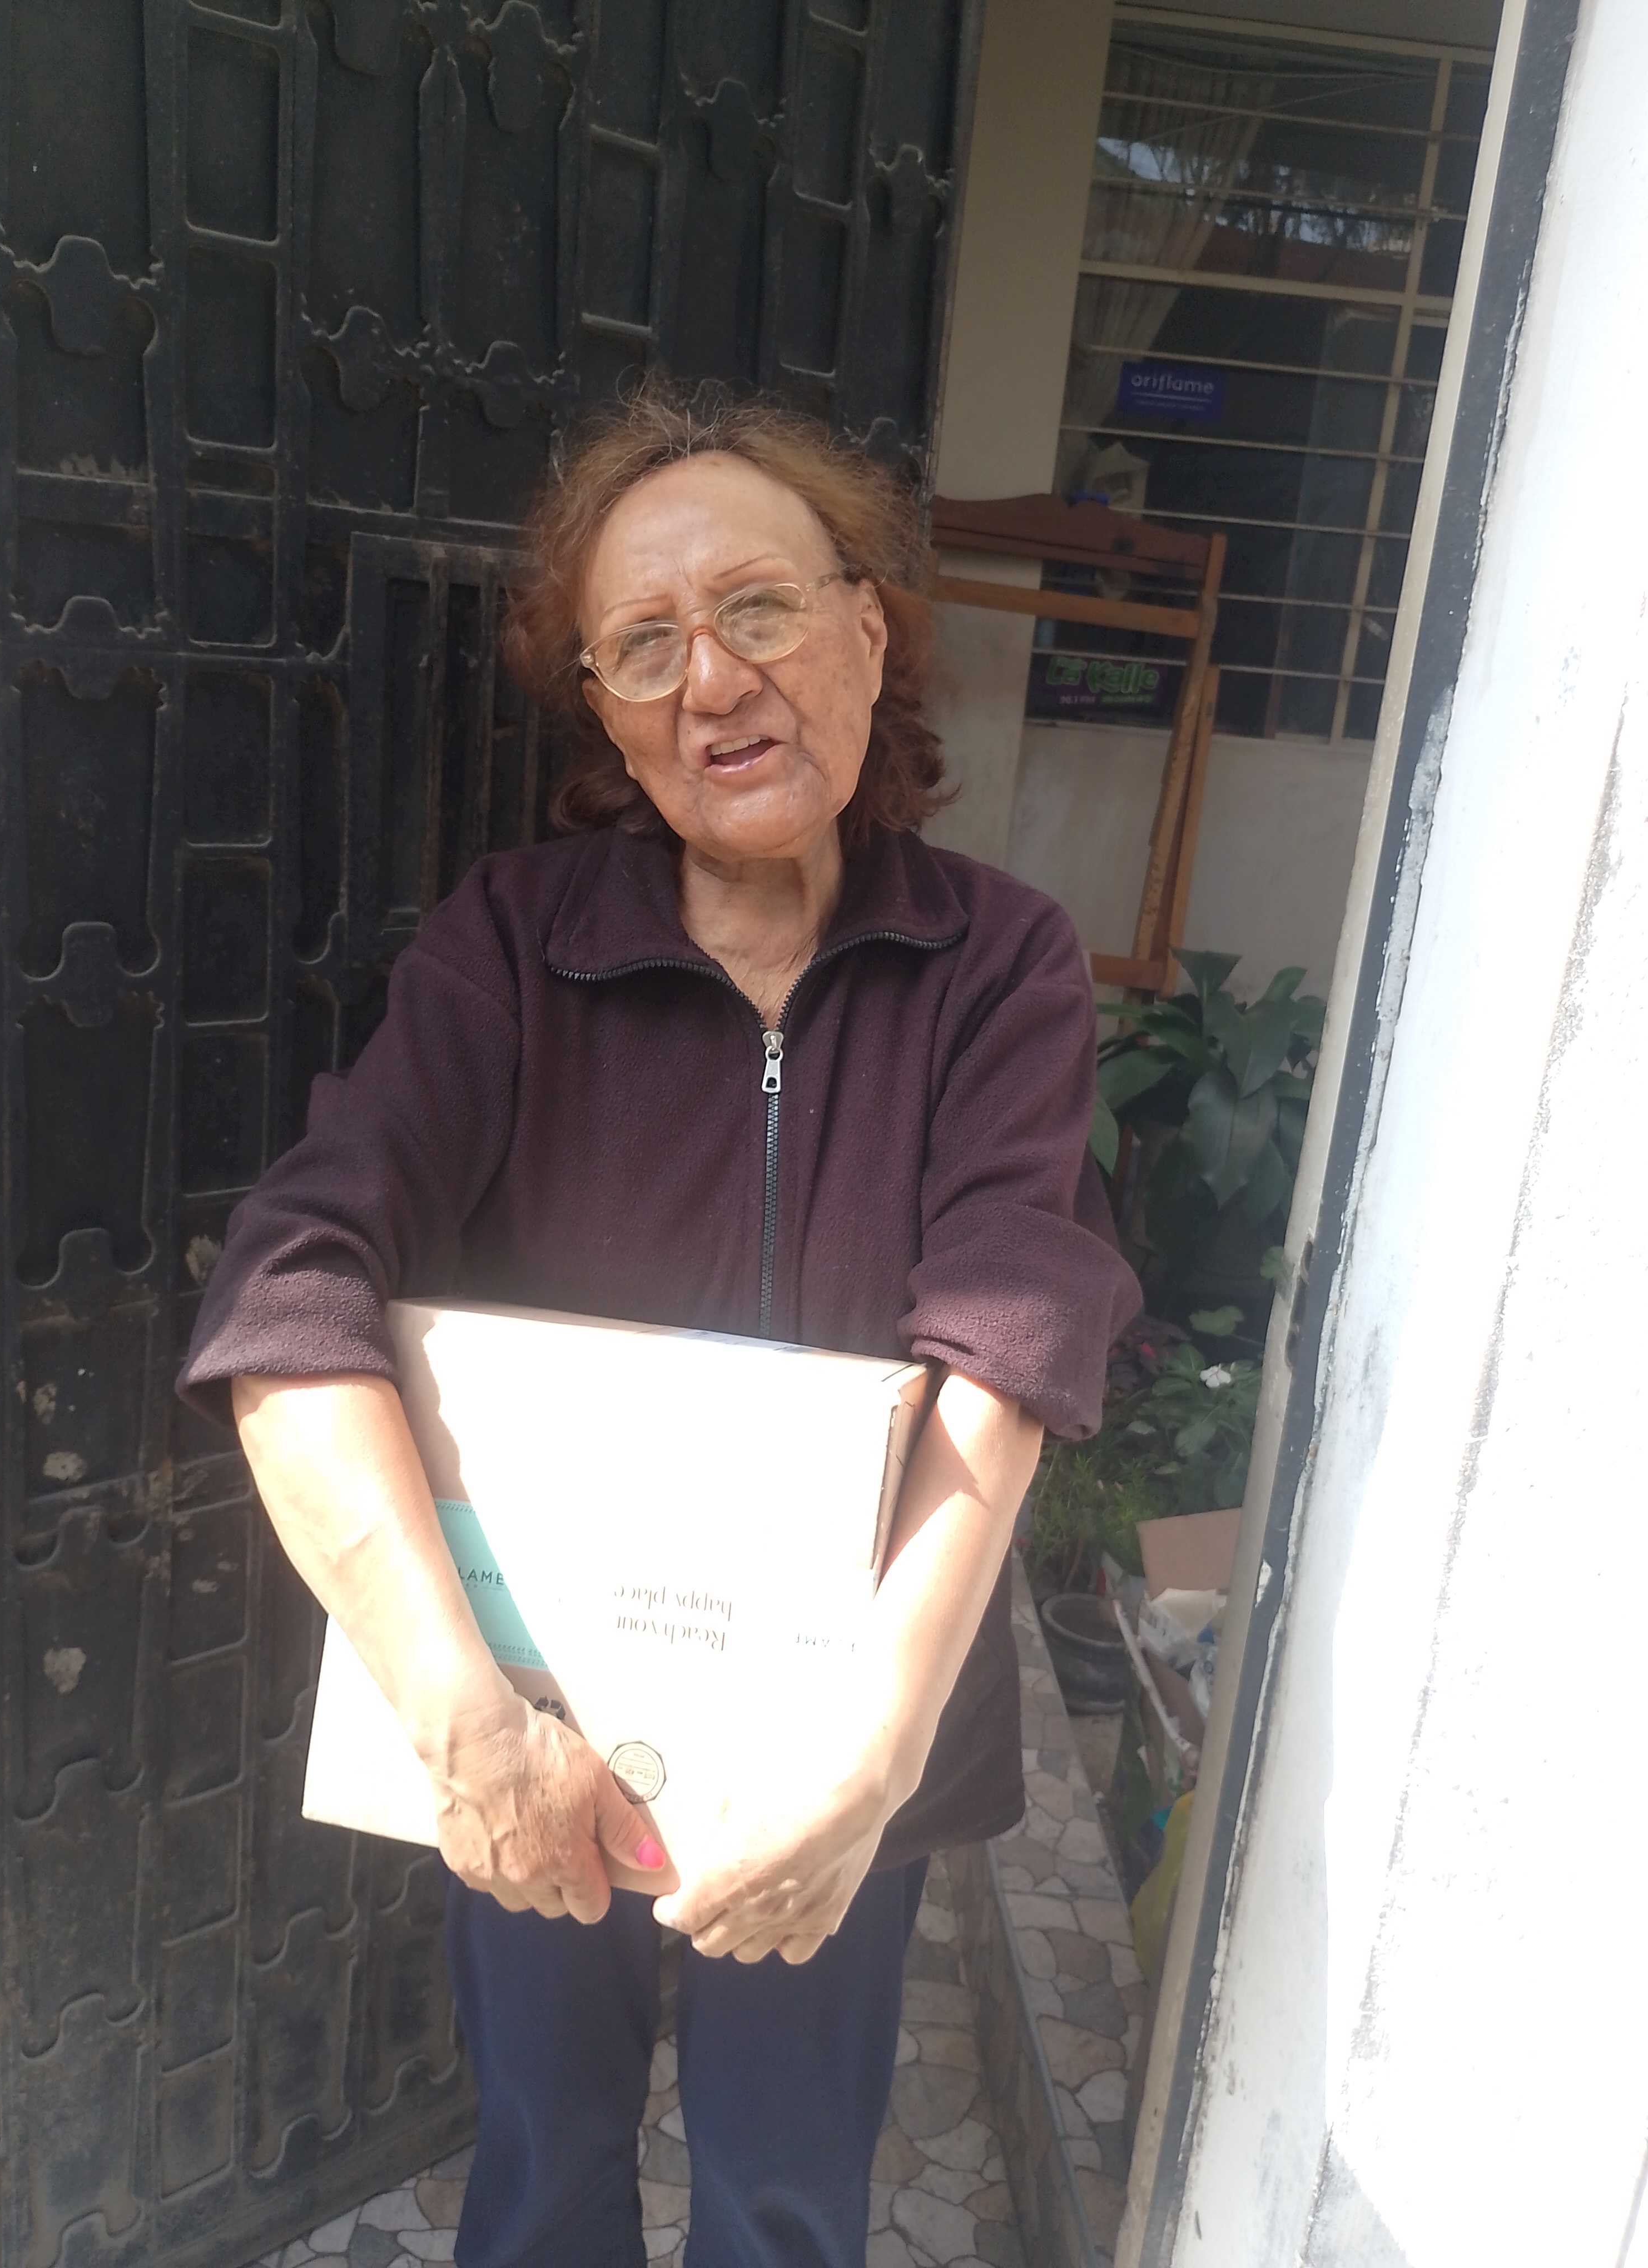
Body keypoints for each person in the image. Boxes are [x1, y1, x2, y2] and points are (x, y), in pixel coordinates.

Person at [178, 380, 1140, 2268]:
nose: (713, 681)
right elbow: (291, 1293)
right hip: (548, 1714)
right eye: (645, 645)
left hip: (847, 1714)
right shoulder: (513, 945)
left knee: (786, 2187)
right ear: (610, 716)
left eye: (760, 608)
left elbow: (1007, 1344)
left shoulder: (997, 962)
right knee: (542, 2164)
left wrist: (870, 1762)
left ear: (871, 632)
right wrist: (465, 1719)